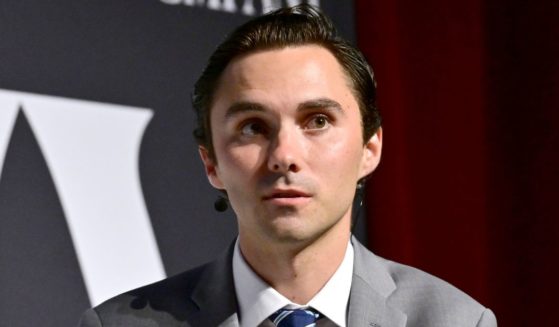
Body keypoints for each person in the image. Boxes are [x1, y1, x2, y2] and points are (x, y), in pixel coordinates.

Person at [79, 4, 496, 327]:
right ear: (211, 163)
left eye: (318, 121)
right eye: (253, 127)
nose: (284, 155)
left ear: (370, 148)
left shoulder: (457, 321)